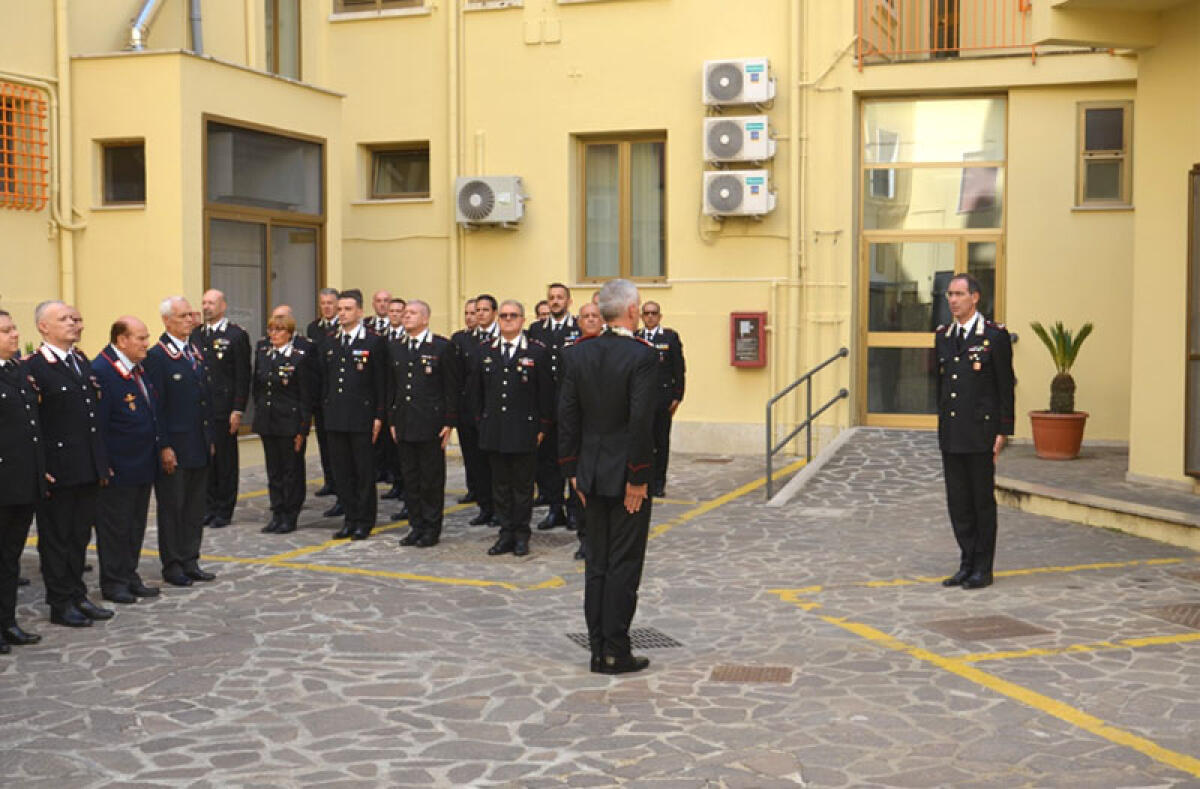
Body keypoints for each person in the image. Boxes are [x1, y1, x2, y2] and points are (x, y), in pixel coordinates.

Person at [558, 279, 657, 675]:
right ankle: (616, 649)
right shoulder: (642, 356)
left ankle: (598, 648)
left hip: (590, 475)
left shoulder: (578, 354)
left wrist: (572, 472)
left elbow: (567, 417)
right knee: (623, 563)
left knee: (596, 561)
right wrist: (638, 477)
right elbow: (640, 422)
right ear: (632, 311)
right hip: (624, 477)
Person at [26, 301, 114, 627]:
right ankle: (60, 601)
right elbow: (34, 425)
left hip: (85, 466)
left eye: (73, 319)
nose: (73, 324)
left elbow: (91, 419)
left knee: (79, 536)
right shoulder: (34, 367)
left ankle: (77, 593)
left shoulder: (79, 360)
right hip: (57, 469)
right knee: (57, 537)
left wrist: (100, 463)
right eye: (63, 319)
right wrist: (41, 467)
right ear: (43, 328)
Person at [936, 273, 1015, 591]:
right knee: (958, 502)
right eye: (949, 295)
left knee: (981, 502)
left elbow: (1005, 386)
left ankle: (984, 567)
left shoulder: (994, 336)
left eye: (959, 294)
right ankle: (966, 562)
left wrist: (1003, 431)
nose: (953, 300)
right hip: (953, 433)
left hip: (981, 434)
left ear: (975, 297)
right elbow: (943, 388)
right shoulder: (943, 336)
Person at [471, 300, 554, 557]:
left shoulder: (537, 351)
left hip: (524, 430)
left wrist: (542, 427)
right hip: (494, 430)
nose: (508, 319)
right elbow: (475, 393)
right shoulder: (485, 350)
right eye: (504, 315)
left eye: (513, 315)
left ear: (522, 319)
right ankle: (505, 533)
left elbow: (547, 394)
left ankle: (521, 534)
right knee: (500, 485)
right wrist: (481, 422)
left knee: (522, 486)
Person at [144, 296, 216, 587]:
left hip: (197, 442)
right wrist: (163, 445)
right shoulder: (158, 357)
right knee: (173, 507)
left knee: (195, 506)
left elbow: (204, 400)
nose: (191, 319)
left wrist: (209, 437)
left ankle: (190, 558)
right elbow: (156, 407)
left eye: (191, 314)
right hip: (175, 445)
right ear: (167, 320)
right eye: (184, 315)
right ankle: (172, 563)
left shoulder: (194, 351)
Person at [92, 317, 161, 605]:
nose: (146, 343)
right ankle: (114, 581)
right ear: (122, 340)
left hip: (140, 463)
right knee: (115, 528)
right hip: (118, 466)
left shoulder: (136, 369)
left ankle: (129, 574)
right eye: (141, 338)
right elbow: (98, 424)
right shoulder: (103, 370)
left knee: (134, 525)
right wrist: (103, 464)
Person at [388, 300, 459, 548]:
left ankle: (431, 528)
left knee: (431, 479)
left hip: (431, 423)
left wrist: (449, 421)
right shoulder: (396, 347)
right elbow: (393, 387)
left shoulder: (440, 347)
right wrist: (392, 419)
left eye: (412, 313)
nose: (407, 317)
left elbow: (451, 387)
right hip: (405, 421)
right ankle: (415, 526)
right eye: (405, 313)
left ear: (426, 319)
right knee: (410, 478)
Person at [320, 289, 386, 541]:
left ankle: (364, 520)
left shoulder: (372, 341)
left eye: (347, 309)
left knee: (363, 471)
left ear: (360, 312)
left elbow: (380, 381)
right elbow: (325, 379)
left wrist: (379, 415)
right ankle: (349, 518)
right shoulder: (330, 340)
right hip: (336, 415)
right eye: (339, 309)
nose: (342, 313)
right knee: (342, 471)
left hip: (362, 416)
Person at [0, 310, 46, 648]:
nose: (15, 335)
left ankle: (7, 622)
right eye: (5, 331)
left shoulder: (17, 371)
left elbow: (31, 429)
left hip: (21, 484)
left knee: (10, 558)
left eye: (14, 328)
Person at [192, 289, 251, 528]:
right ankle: (208, 506)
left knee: (225, 461)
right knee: (207, 460)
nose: (207, 307)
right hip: (202, 409)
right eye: (204, 302)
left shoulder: (235, 335)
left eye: (212, 303)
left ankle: (224, 509)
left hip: (224, 408)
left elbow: (242, 375)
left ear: (223, 306)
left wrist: (238, 409)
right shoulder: (196, 335)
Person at [527, 283, 582, 531]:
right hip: (544, 405)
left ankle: (574, 510)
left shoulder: (578, 327)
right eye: (551, 298)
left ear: (569, 302)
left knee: (572, 458)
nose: (555, 301)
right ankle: (554, 508)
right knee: (548, 461)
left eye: (560, 297)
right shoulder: (536, 330)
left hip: (572, 404)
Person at [253, 314, 311, 535]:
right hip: (268, 421)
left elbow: (305, 397)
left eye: (279, 330)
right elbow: (258, 388)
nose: (274, 335)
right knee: (274, 470)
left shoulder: (299, 358)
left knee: (291, 471)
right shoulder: (264, 355)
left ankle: (290, 514)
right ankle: (277, 512)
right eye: (271, 330)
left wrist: (303, 428)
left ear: (289, 334)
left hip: (289, 423)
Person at [635, 301, 685, 499]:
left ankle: (658, 482)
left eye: (653, 313)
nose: (650, 317)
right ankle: (645, 479)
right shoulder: (636, 337)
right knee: (643, 441)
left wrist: (677, 396)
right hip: (641, 399)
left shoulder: (669, 337)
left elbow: (679, 369)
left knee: (661, 441)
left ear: (660, 316)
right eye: (646, 313)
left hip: (662, 398)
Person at [462, 294, 500, 526]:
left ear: (494, 312)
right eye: (477, 310)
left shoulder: (504, 337)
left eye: (485, 310)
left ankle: (499, 508)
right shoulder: (464, 340)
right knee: (476, 463)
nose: (480, 314)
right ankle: (485, 506)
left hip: (495, 412)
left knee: (495, 464)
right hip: (471, 412)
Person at [306, 288, 342, 507]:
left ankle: (340, 483)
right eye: (323, 303)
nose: (327, 307)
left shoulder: (342, 328)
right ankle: (329, 479)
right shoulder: (314, 328)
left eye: (331, 303)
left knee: (336, 442)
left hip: (335, 393)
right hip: (319, 392)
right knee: (323, 440)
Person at [451, 299, 481, 506]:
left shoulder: (490, 339)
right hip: (465, 405)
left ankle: (485, 493)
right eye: (467, 313)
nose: (470, 316)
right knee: (469, 453)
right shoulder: (459, 339)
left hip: (483, 406)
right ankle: (473, 488)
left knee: (484, 455)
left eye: (474, 312)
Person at [380, 297, 409, 502]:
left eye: (400, 311)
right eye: (392, 311)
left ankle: (405, 486)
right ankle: (396, 483)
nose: (395, 314)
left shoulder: (409, 338)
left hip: (404, 398)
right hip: (387, 396)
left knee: (403, 449)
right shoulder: (381, 337)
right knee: (390, 447)